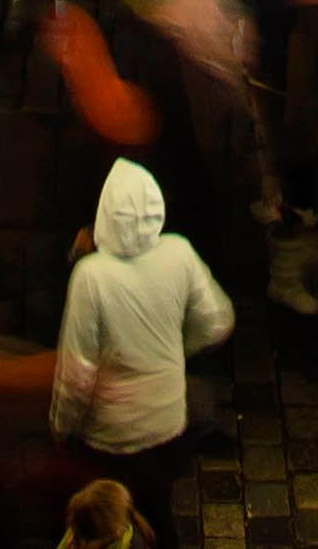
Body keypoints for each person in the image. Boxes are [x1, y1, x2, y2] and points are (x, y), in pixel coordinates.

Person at [58, 157, 238, 531]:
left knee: (108, 520)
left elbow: (77, 375)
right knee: (159, 512)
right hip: (166, 426)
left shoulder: (90, 276)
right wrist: (176, 349)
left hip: (110, 439)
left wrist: (63, 427)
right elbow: (217, 321)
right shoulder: (179, 253)